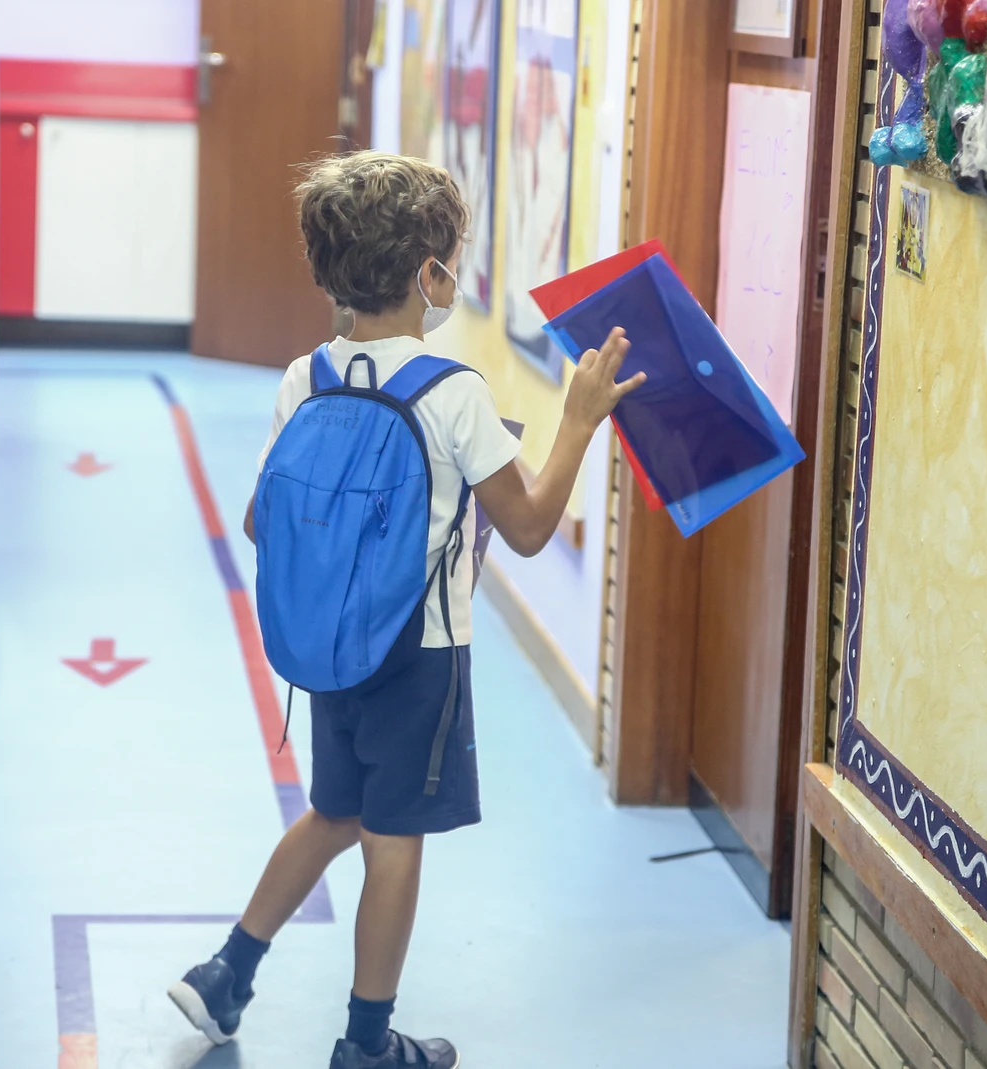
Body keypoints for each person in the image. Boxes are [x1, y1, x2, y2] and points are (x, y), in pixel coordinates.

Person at [168, 151, 642, 1069]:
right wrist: (579, 419)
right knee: (394, 845)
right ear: (428, 273)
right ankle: (366, 1042)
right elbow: (535, 525)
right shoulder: (452, 392)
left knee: (334, 811)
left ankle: (228, 970)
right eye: (450, 258)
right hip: (420, 658)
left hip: (332, 654)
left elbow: (262, 522)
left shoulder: (304, 378)